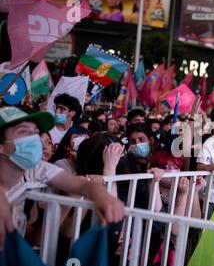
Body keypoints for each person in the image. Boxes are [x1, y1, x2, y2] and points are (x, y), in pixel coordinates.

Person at [0, 107, 124, 250]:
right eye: (23, 132)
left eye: (35, 133)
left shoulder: (35, 169)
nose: (34, 140)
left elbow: (80, 185)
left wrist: (102, 196)